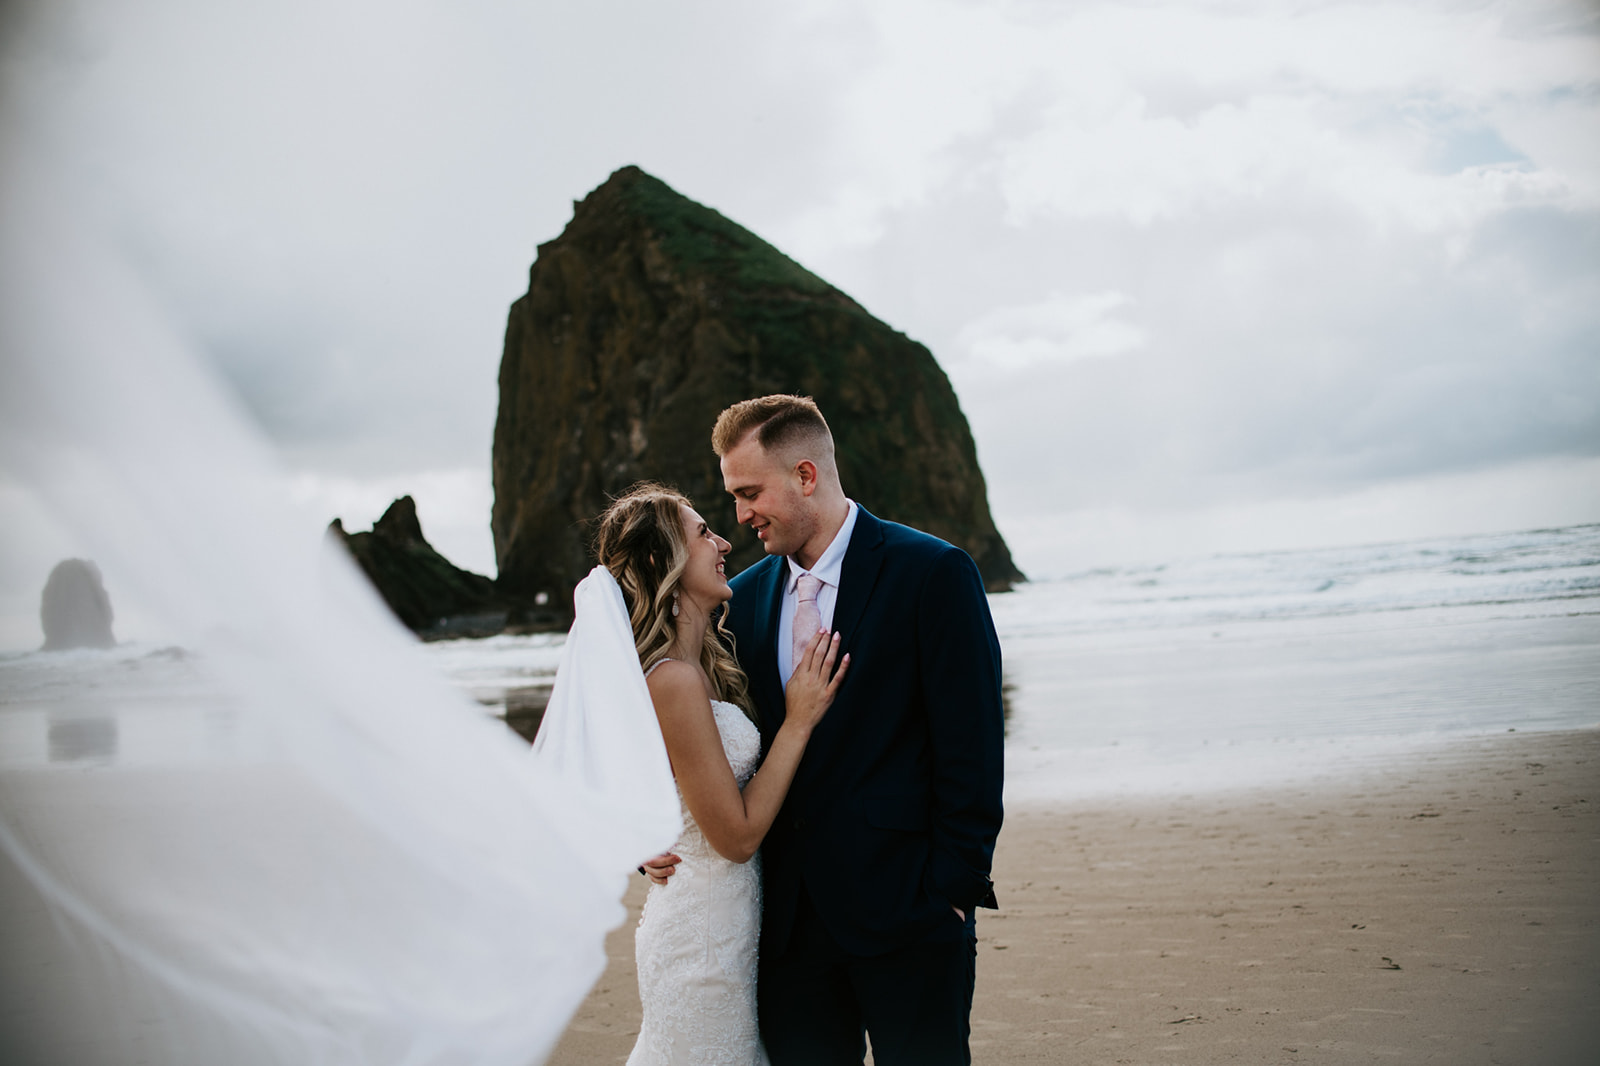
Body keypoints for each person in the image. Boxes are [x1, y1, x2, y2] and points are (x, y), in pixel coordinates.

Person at [648, 396, 1005, 1065]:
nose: (740, 516)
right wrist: (653, 829)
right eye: (731, 497)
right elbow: (691, 736)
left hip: (910, 916)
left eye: (750, 493)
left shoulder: (931, 573)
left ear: (806, 476)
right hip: (784, 934)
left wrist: (952, 896)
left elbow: (974, 747)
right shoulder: (741, 599)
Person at [591, 483, 851, 1066]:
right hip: (700, 942)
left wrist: (644, 835)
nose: (724, 542)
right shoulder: (672, 681)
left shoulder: (706, 665)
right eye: (703, 533)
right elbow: (734, 838)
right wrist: (799, 719)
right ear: (664, 562)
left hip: (731, 932)